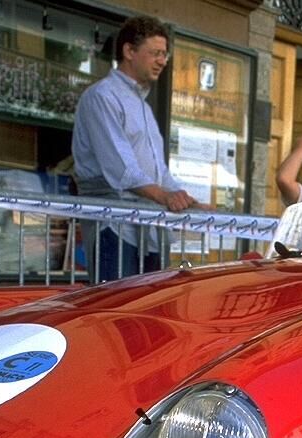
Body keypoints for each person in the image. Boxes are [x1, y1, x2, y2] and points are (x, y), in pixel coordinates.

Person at [72, 15, 201, 281]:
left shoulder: (143, 106)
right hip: (114, 226)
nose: (162, 61)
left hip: (148, 227)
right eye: (155, 53)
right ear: (129, 51)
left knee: (150, 304)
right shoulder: (103, 96)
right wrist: (166, 197)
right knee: (115, 303)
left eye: (164, 55)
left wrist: (191, 202)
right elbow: (122, 170)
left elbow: (159, 172)